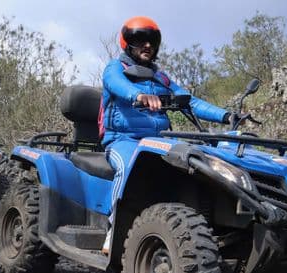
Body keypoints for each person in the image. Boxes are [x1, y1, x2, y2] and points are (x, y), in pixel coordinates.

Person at [98, 16, 232, 253]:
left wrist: (225, 116)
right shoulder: (116, 69)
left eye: (152, 40)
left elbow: (190, 102)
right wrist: (138, 96)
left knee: (197, 163)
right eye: (140, 39)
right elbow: (117, 84)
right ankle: (113, 227)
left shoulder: (161, 78)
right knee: (127, 165)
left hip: (157, 141)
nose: (147, 45)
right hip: (122, 140)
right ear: (127, 42)